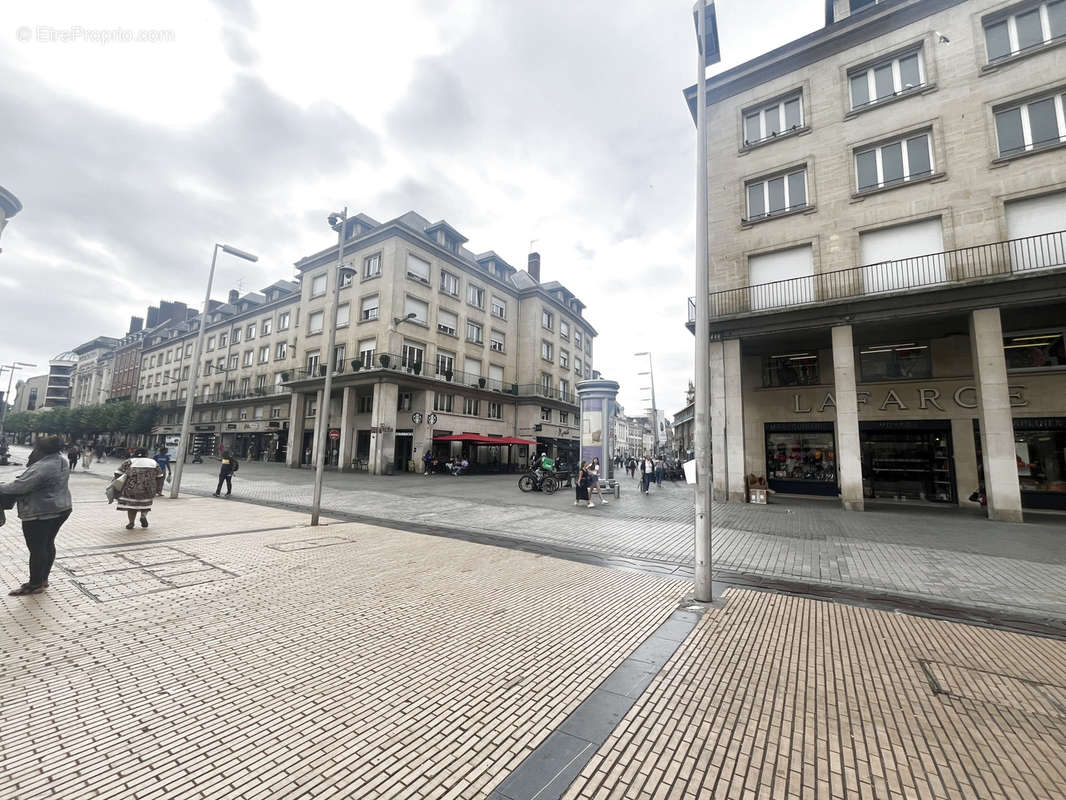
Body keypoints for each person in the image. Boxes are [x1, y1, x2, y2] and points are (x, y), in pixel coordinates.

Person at [0, 436, 72, 596]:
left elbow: (19, 487)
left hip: (41, 512)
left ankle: (35, 584)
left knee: (37, 548)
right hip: (62, 507)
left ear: (41, 450)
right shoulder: (61, 459)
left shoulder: (43, 466)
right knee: (47, 544)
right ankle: (42, 579)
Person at [116, 448, 163, 529]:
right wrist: (158, 488)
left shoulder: (129, 461)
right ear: (146, 454)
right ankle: (143, 516)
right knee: (145, 505)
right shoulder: (153, 462)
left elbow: (117, 473)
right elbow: (160, 476)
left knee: (131, 507)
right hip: (148, 489)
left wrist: (120, 484)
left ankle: (131, 523)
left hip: (131, 489)